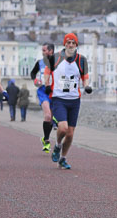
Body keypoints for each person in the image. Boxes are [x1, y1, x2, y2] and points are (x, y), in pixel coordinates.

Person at [44, 33, 92, 170]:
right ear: (64, 44)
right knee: (63, 127)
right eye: (68, 42)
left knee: (70, 134)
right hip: (59, 98)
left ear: (76, 45)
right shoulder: (55, 58)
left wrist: (86, 86)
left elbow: (85, 76)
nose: (70, 45)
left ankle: (63, 158)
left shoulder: (81, 60)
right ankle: (58, 145)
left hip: (74, 100)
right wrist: (47, 84)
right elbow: (47, 71)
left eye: (73, 43)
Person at [30, 43, 56, 153]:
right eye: (42, 50)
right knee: (47, 115)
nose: (42, 52)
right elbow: (32, 73)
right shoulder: (40, 62)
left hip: (54, 92)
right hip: (43, 91)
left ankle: (46, 137)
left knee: (51, 118)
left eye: (44, 50)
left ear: (51, 51)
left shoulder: (58, 62)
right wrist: (35, 80)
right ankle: (47, 141)